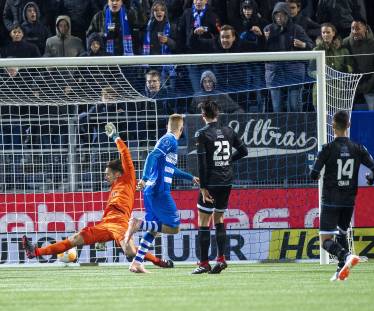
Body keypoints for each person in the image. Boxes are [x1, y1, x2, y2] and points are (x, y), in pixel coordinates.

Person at [22, 123, 173, 269]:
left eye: (108, 174)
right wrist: (102, 236)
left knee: (131, 252)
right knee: (75, 238)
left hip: (121, 223)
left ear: (118, 173)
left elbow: (125, 154)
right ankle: (35, 251)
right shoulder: (113, 188)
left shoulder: (128, 179)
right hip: (105, 224)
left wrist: (116, 137)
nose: (105, 177)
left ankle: (158, 261)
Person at [309, 110, 374, 281]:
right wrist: (370, 180)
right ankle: (341, 271)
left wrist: (317, 175)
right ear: (348, 125)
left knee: (326, 239)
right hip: (349, 200)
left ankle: (346, 255)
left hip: (331, 199)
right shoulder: (358, 148)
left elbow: (313, 174)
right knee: (341, 234)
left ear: (332, 126)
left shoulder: (327, 149)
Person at [125, 114, 199, 273]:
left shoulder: (168, 141)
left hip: (151, 191)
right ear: (181, 129)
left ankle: (137, 263)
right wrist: (143, 178)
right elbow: (151, 156)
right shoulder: (170, 140)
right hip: (159, 190)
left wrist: (190, 177)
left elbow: (171, 169)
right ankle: (138, 224)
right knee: (174, 227)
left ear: (167, 125)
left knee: (154, 229)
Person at [192, 101, 248, 274]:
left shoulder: (201, 134)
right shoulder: (229, 131)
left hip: (211, 182)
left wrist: (203, 187)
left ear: (203, 115)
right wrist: (229, 161)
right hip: (226, 181)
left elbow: (201, 163)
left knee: (203, 221)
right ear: (218, 113)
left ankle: (203, 263)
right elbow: (244, 151)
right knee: (219, 219)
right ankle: (221, 259)